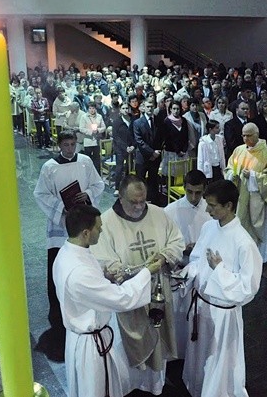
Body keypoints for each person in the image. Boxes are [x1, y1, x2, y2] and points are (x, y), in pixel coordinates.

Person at [53, 205, 164, 397]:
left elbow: (89, 287)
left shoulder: (67, 253)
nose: (102, 230)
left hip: (79, 338)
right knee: (98, 390)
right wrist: (148, 272)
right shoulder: (79, 273)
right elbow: (121, 299)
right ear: (86, 233)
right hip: (90, 347)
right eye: (98, 227)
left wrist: (104, 277)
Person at [91, 175, 184, 395]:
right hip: (129, 296)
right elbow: (103, 258)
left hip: (158, 290)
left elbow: (176, 240)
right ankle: (133, 385)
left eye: (143, 201)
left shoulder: (159, 214)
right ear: (120, 196)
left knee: (159, 338)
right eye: (134, 202)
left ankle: (156, 384)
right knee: (132, 345)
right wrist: (129, 272)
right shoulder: (107, 222)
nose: (140, 206)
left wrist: (163, 258)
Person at [181, 179, 262, 397]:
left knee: (219, 361)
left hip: (222, 313)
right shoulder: (209, 227)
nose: (207, 210)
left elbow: (248, 288)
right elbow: (197, 258)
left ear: (229, 206)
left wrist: (219, 271)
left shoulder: (244, 243)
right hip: (201, 305)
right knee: (200, 356)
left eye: (213, 205)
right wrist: (188, 273)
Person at [33, 130, 105, 361]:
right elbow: (40, 194)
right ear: (59, 145)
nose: (70, 148)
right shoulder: (49, 167)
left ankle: (84, 302)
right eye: (66, 144)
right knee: (58, 268)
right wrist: (61, 207)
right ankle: (57, 313)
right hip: (60, 224)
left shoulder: (85, 161)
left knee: (83, 264)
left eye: (73, 144)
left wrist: (87, 195)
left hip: (82, 220)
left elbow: (98, 183)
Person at [163, 169, 211, 358]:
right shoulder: (170, 211)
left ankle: (195, 352)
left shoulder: (211, 210)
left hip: (202, 270)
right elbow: (164, 241)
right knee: (178, 315)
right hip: (179, 269)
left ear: (204, 190)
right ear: (184, 187)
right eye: (189, 191)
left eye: (198, 193)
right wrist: (182, 248)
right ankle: (177, 352)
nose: (193, 197)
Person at [225, 123, 267, 263]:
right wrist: (233, 175)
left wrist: (254, 176)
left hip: (258, 200)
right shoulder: (239, 150)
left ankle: (258, 258)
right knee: (240, 226)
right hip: (241, 198)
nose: (245, 138)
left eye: (248, 135)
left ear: (257, 134)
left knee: (257, 231)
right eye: (243, 135)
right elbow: (229, 168)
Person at [133, 102, 162, 203]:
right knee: (140, 181)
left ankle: (153, 202)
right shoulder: (137, 123)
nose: (150, 109)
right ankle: (139, 201)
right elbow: (139, 141)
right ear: (143, 108)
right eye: (148, 107)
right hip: (143, 157)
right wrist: (152, 152)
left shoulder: (158, 121)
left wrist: (156, 152)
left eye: (152, 107)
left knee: (153, 180)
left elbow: (160, 138)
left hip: (155, 157)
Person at [111, 103, 134, 197]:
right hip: (120, 148)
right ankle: (117, 187)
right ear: (120, 110)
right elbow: (116, 137)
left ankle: (128, 186)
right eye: (123, 108)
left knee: (130, 167)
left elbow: (134, 134)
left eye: (127, 108)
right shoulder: (117, 122)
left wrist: (132, 146)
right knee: (119, 168)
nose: (125, 110)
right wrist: (125, 147)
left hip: (130, 147)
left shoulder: (132, 120)